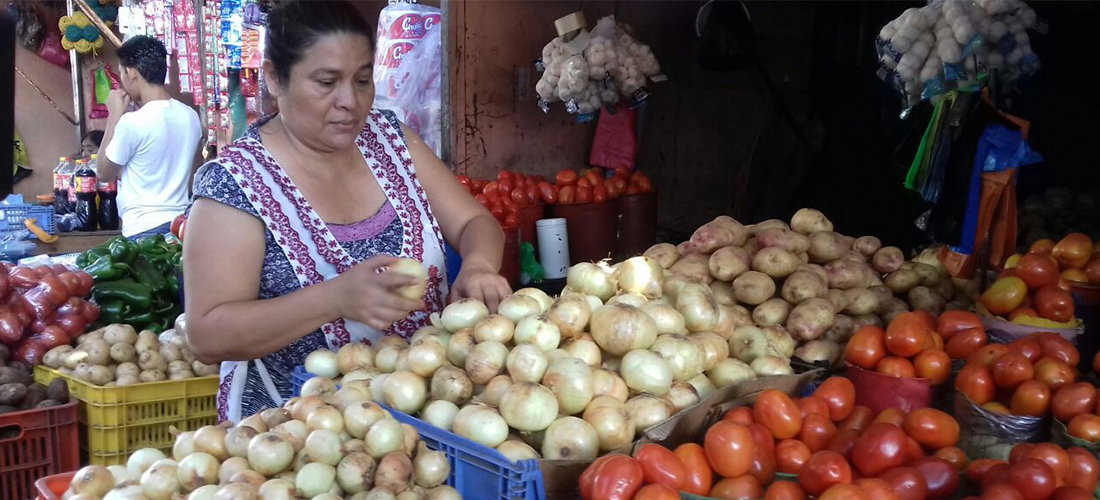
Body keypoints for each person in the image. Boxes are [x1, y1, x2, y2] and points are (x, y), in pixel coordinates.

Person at [183, 0, 511, 421]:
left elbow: (473, 221)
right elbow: (208, 333)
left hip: (427, 417)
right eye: (326, 82)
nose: (349, 102)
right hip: (293, 435)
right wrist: (334, 298)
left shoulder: (391, 140)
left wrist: (479, 265)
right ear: (273, 79)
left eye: (361, 80)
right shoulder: (236, 183)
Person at [98, 36, 201, 240]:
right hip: (181, 226)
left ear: (131, 72)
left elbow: (103, 172)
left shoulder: (132, 122)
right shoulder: (190, 116)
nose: (122, 82)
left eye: (121, 73)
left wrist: (114, 116)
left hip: (143, 229)